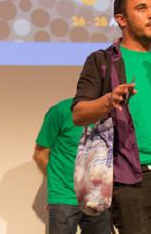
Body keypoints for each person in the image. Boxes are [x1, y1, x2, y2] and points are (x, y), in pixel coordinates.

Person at [72, 0, 151, 234]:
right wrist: (108, 101)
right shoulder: (103, 61)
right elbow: (79, 113)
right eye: (142, 8)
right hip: (133, 181)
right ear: (121, 19)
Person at [34, 98, 112, 234]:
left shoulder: (112, 113)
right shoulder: (61, 111)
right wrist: (56, 183)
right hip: (64, 196)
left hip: (98, 197)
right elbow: (41, 153)